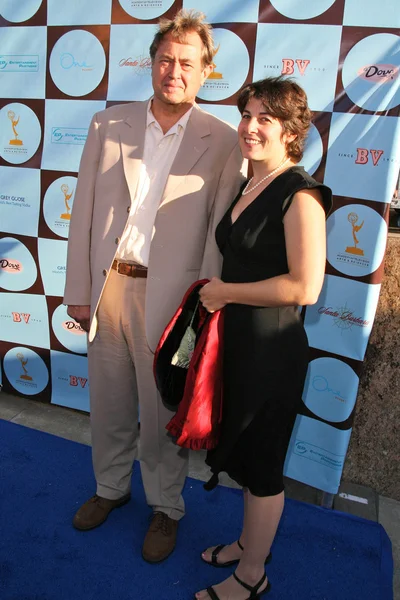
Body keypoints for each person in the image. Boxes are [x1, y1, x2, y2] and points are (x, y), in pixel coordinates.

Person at [63, 9, 245, 564]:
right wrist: (77, 286)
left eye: (187, 63)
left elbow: (218, 231)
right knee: (109, 401)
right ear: (151, 63)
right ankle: (111, 489)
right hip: (109, 287)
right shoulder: (107, 123)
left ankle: (166, 506)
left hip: (173, 299)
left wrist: (204, 309)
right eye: (166, 59)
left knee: (163, 411)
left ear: (206, 71)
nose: (175, 71)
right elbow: (84, 213)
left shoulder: (224, 140)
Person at [196, 77, 332, 599]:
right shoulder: (249, 182)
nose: (250, 127)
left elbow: (306, 286)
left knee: (264, 466)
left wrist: (226, 291)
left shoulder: (300, 194)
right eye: (247, 115)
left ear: (291, 130)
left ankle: (252, 576)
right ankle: (248, 545)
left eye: (265, 119)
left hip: (271, 352)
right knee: (248, 456)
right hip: (239, 343)